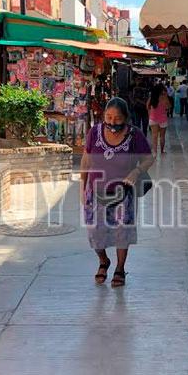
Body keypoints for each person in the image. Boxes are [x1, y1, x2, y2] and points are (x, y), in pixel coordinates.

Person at [80, 97, 154, 289]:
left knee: (123, 233)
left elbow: (149, 158)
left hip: (123, 193)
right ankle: (103, 260)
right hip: (96, 191)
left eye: (117, 118)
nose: (112, 122)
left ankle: (120, 268)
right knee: (95, 233)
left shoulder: (134, 135)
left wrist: (136, 171)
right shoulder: (94, 132)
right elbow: (86, 160)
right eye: (109, 117)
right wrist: (83, 187)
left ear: (126, 118)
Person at [148, 83, 171, 156]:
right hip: (163, 118)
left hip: (153, 118)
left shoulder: (152, 97)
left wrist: (150, 113)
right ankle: (162, 150)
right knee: (162, 136)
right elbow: (168, 106)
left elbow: (147, 106)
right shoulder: (164, 97)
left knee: (154, 136)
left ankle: (154, 151)